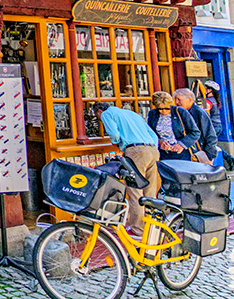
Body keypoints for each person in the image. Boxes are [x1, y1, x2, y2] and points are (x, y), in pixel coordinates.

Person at [93, 101, 160, 236]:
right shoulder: (132, 113)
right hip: (153, 149)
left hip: (135, 151)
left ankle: (137, 229)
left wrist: (117, 142)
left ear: (99, 111)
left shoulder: (106, 114)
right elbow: (153, 135)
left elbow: (114, 134)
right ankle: (152, 227)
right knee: (150, 191)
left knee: (135, 191)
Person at [147, 91, 200, 162]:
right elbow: (150, 133)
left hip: (182, 154)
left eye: (167, 108)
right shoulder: (153, 114)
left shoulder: (180, 112)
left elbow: (195, 132)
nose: (164, 111)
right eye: (160, 109)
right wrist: (160, 142)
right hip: (163, 154)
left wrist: (181, 144)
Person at [174, 88, 218, 161]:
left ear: (190, 99)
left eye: (179, 99)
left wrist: (209, 156)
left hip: (198, 152)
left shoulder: (198, 112)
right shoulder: (179, 112)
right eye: (175, 99)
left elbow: (209, 134)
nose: (176, 102)